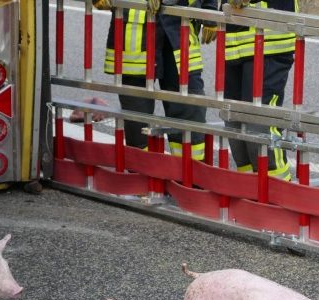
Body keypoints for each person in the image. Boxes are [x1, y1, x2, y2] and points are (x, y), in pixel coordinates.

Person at [95, 0, 215, 160]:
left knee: (189, 110)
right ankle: (141, 174)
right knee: (136, 115)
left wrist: (210, 10)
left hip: (178, 32)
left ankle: (192, 176)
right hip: (136, 37)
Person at [219, 0, 298, 180]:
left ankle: (279, 194)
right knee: (234, 123)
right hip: (234, 39)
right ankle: (250, 193)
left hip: (269, 40)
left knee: (259, 124)